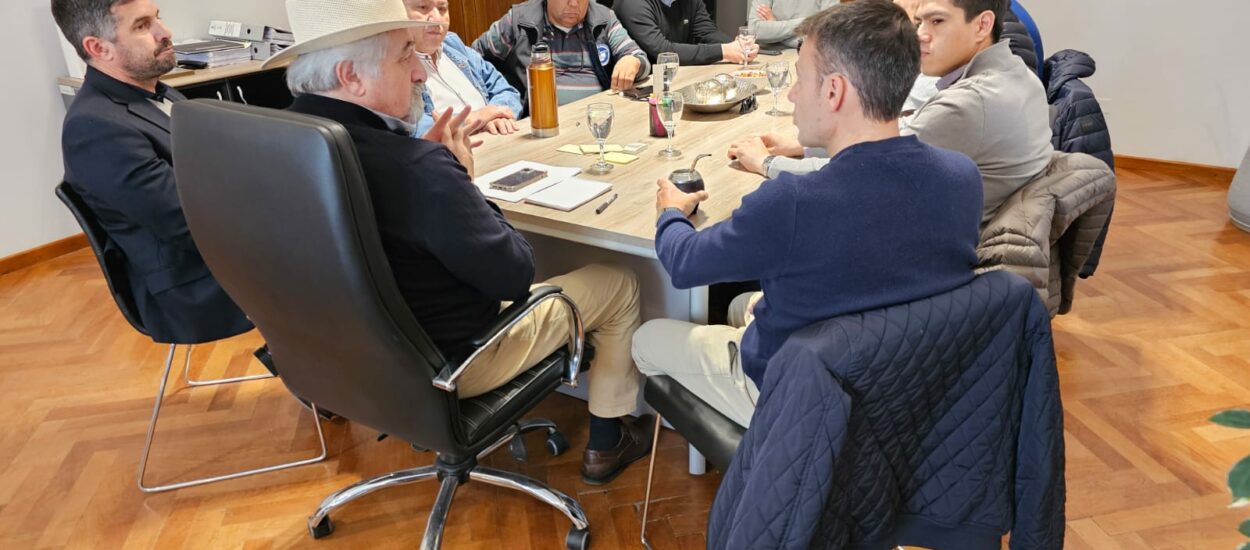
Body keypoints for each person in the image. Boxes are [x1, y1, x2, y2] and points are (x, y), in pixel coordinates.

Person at [272, 0, 651, 484]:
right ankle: (607, 441)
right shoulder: (417, 170)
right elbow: (516, 274)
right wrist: (460, 181)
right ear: (351, 76)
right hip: (449, 365)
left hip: (330, 361)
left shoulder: (270, 146)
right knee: (617, 282)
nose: (419, 74)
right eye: (405, 55)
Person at [632, 0, 982, 427]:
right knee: (746, 302)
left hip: (801, 399)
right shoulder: (962, 178)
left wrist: (670, 213)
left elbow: (684, 264)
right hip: (907, 391)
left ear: (833, 92)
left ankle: (756, 455)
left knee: (646, 338)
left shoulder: (793, 201)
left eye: (801, 78)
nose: (794, 93)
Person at [729, 0, 1052, 224]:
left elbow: (853, 177)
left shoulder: (967, 105)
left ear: (982, 24)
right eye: (919, 21)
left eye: (937, 21)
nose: (921, 35)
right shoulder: (1015, 73)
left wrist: (767, 163)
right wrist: (803, 147)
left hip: (932, 263)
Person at [52, 0, 252, 344]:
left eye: (157, 18)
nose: (165, 32)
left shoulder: (156, 91)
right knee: (340, 260)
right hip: (195, 284)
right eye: (142, 26)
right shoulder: (95, 127)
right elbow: (188, 223)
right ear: (98, 48)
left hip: (219, 248)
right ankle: (326, 380)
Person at [473, 0, 651, 105]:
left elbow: (639, 58)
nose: (574, 4)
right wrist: (502, 97)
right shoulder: (518, 21)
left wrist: (632, 61)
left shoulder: (603, 18)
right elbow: (471, 60)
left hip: (596, 117)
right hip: (539, 125)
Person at [403, 0, 523, 135]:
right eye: (423, 8)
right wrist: (473, 120)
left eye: (442, 9)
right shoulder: (394, 65)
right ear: (399, 13)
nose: (436, 18)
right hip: (447, 154)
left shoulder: (454, 46)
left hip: (498, 140)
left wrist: (496, 117)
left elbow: (506, 91)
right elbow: (413, 130)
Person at [612, 0, 755, 65]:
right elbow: (663, 52)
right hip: (642, 90)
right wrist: (724, 50)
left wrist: (737, 45)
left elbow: (707, 32)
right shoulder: (631, 3)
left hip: (678, 80)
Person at [747, 0, 838, 49]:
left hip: (809, 61)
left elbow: (824, 39)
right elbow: (754, 30)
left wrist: (775, 28)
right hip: (765, 61)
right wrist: (807, 22)